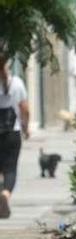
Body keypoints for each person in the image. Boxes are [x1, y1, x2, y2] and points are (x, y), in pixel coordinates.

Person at [0, 55, 29, 219]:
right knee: (10, 168)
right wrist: (25, 127)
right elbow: (25, 108)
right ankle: (5, 194)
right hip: (12, 132)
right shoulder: (16, 83)